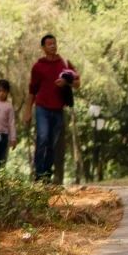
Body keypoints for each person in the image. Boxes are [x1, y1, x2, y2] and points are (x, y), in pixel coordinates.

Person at [22, 33, 80, 182]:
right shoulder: (38, 67)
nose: (53, 46)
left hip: (58, 109)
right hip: (42, 107)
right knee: (42, 138)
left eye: (54, 43)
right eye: (49, 44)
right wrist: (27, 111)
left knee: (52, 143)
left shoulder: (63, 63)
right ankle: (39, 174)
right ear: (43, 47)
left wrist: (66, 82)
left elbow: (77, 84)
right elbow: (32, 90)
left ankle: (46, 174)